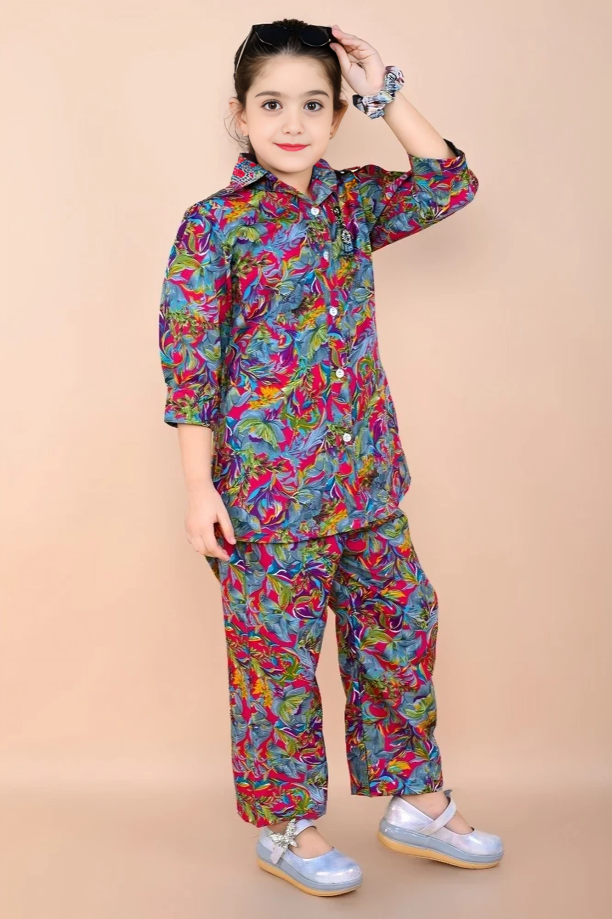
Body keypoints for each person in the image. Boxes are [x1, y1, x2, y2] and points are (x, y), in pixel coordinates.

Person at [158, 18, 503, 897]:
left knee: (400, 626)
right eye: (272, 104)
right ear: (240, 114)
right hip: (267, 497)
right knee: (275, 662)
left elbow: (449, 183)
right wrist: (198, 488)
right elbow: (191, 368)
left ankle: (416, 801)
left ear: (338, 116)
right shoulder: (214, 226)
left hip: (367, 483)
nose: (293, 122)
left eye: (314, 104)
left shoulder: (353, 202)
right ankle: (286, 825)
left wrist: (384, 90)